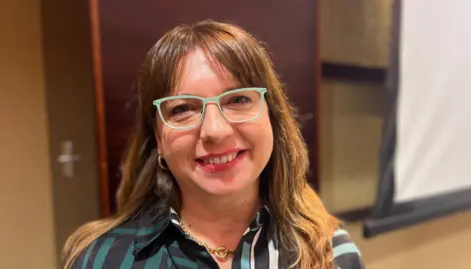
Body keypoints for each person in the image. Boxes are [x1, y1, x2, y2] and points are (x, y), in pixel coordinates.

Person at [63, 20, 364, 269]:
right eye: (183, 109)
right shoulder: (102, 261)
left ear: (272, 118)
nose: (215, 131)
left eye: (238, 100)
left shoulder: (331, 252)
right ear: (158, 139)